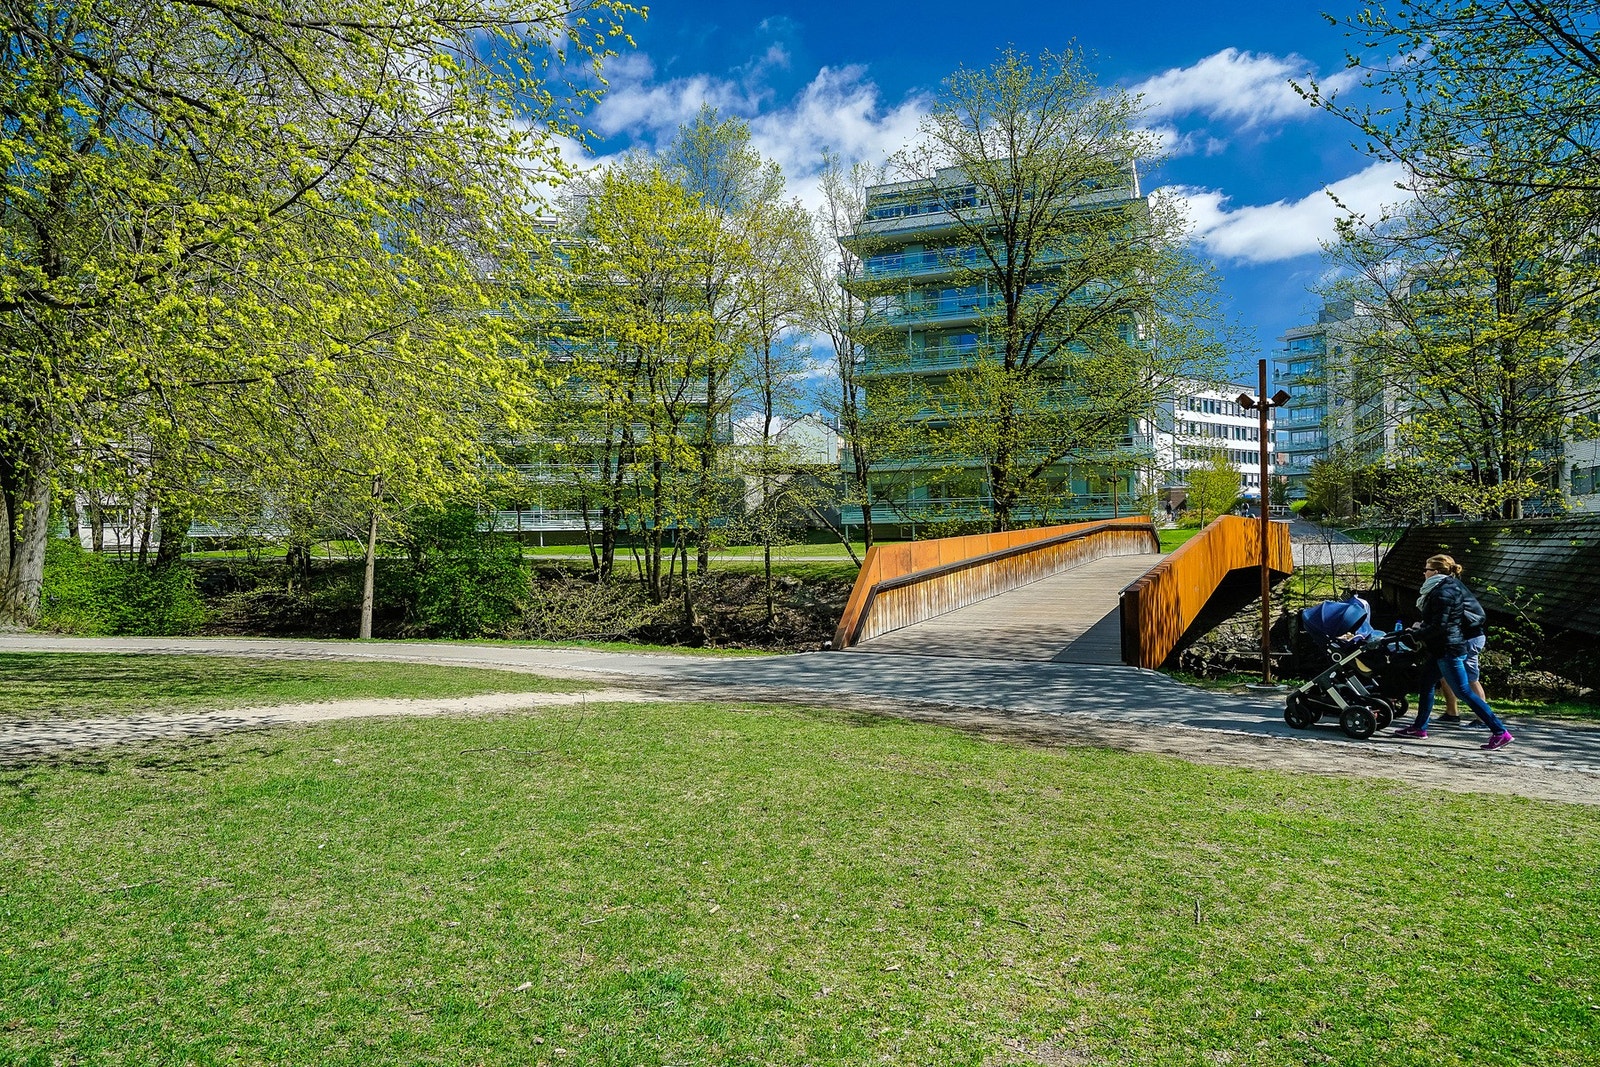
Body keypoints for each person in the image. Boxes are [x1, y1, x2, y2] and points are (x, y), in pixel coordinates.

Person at [1393, 554, 1512, 749]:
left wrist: (1417, 634)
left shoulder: (1443, 593)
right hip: (1442, 647)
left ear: (1436, 572)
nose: (1424, 573)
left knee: (1463, 690)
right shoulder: (1444, 588)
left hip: (1449, 648)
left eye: (1426, 569)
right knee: (1426, 682)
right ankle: (1419, 727)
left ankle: (1500, 732)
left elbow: (1441, 625)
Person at [1437, 631, 1490, 726]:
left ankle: (1483, 719)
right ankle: (1451, 713)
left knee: (1471, 679)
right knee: (1445, 674)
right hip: (1457, 638)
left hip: (1470, 638)